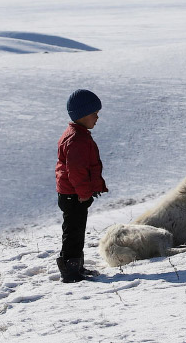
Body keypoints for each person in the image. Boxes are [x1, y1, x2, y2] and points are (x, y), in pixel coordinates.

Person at [55, 89, 108, 283]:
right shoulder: (77, 139)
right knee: (73, 232)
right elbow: (76, 172)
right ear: (83, 115)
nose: (97, 117)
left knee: (75, 231)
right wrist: (84, 194)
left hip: (72, 194)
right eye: (94, 113)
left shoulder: (78, 134)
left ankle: (76, 267)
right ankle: (70, 271)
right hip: (74, 195)